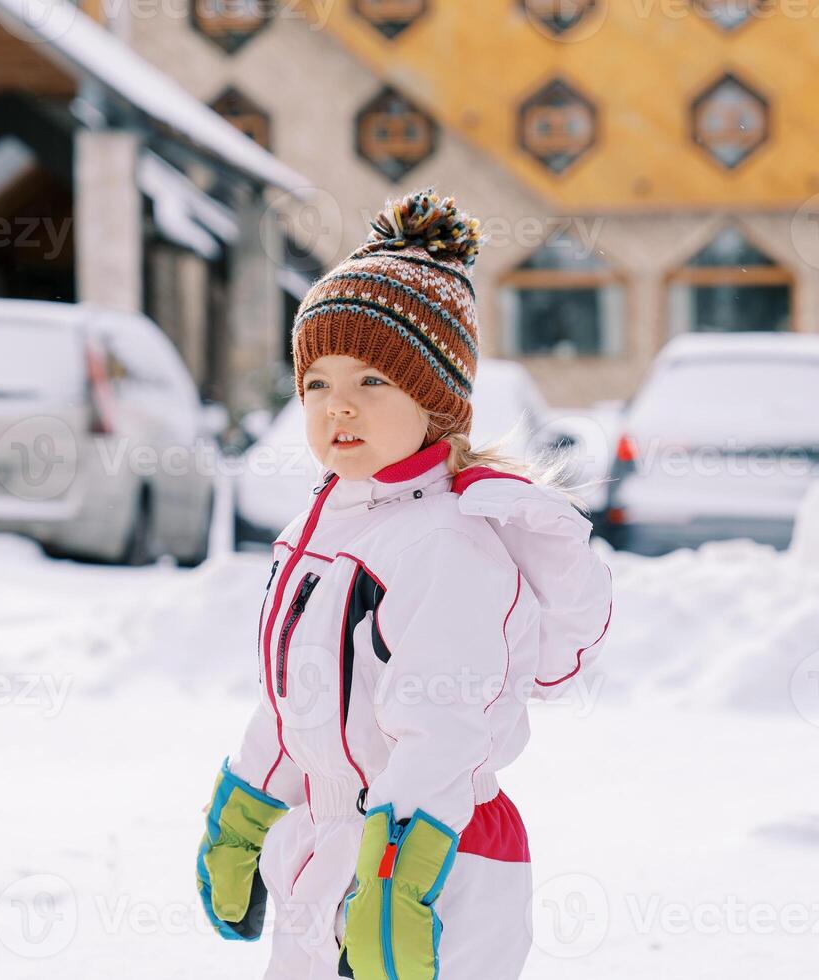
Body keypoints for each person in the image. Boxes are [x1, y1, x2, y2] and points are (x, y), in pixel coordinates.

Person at [196, 188, 613, 979]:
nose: (337, 405)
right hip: (329, 850)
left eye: (372, 381)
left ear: (434, 399)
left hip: (433, 860)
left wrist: (395, 879)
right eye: (316, 383)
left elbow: (445, 726)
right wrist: (247, 809)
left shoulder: (448, 544)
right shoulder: (320, 530)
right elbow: (298, 702)